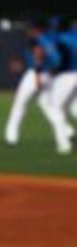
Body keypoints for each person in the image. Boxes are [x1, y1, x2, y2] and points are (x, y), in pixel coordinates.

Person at [4, 20, 52, 146]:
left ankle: (11, 137)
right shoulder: (49, 38)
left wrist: (36, 75)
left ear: (36, 29)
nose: (27, 31)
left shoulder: (36, 39)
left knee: (19, 104)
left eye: (30, 28)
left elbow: (38, 55)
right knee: (47, 105)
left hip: (35, 74)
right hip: (48, 74)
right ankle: (68, 132)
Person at [48, 16, 77, 156]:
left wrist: (53, 71)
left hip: (66, 76)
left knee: (54, 108)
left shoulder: (59, 38)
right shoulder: (75, 35)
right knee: (72, 107)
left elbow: (62, 59)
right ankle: (68, 135)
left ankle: (63, 144)